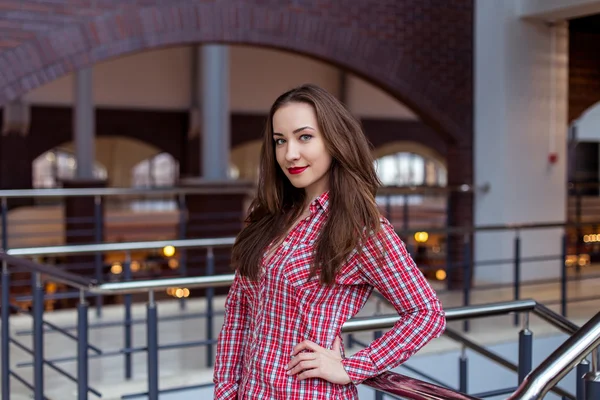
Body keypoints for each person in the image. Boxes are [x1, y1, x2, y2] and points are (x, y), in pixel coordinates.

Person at [213, 84, 446, 399]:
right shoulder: (271, 217)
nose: (289, 153)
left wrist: (353, 367)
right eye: (280, 141)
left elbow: (426, 313)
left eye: (304, 137)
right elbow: (239, 311)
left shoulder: (361, 230)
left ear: (335, 141)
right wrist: (226, 392)